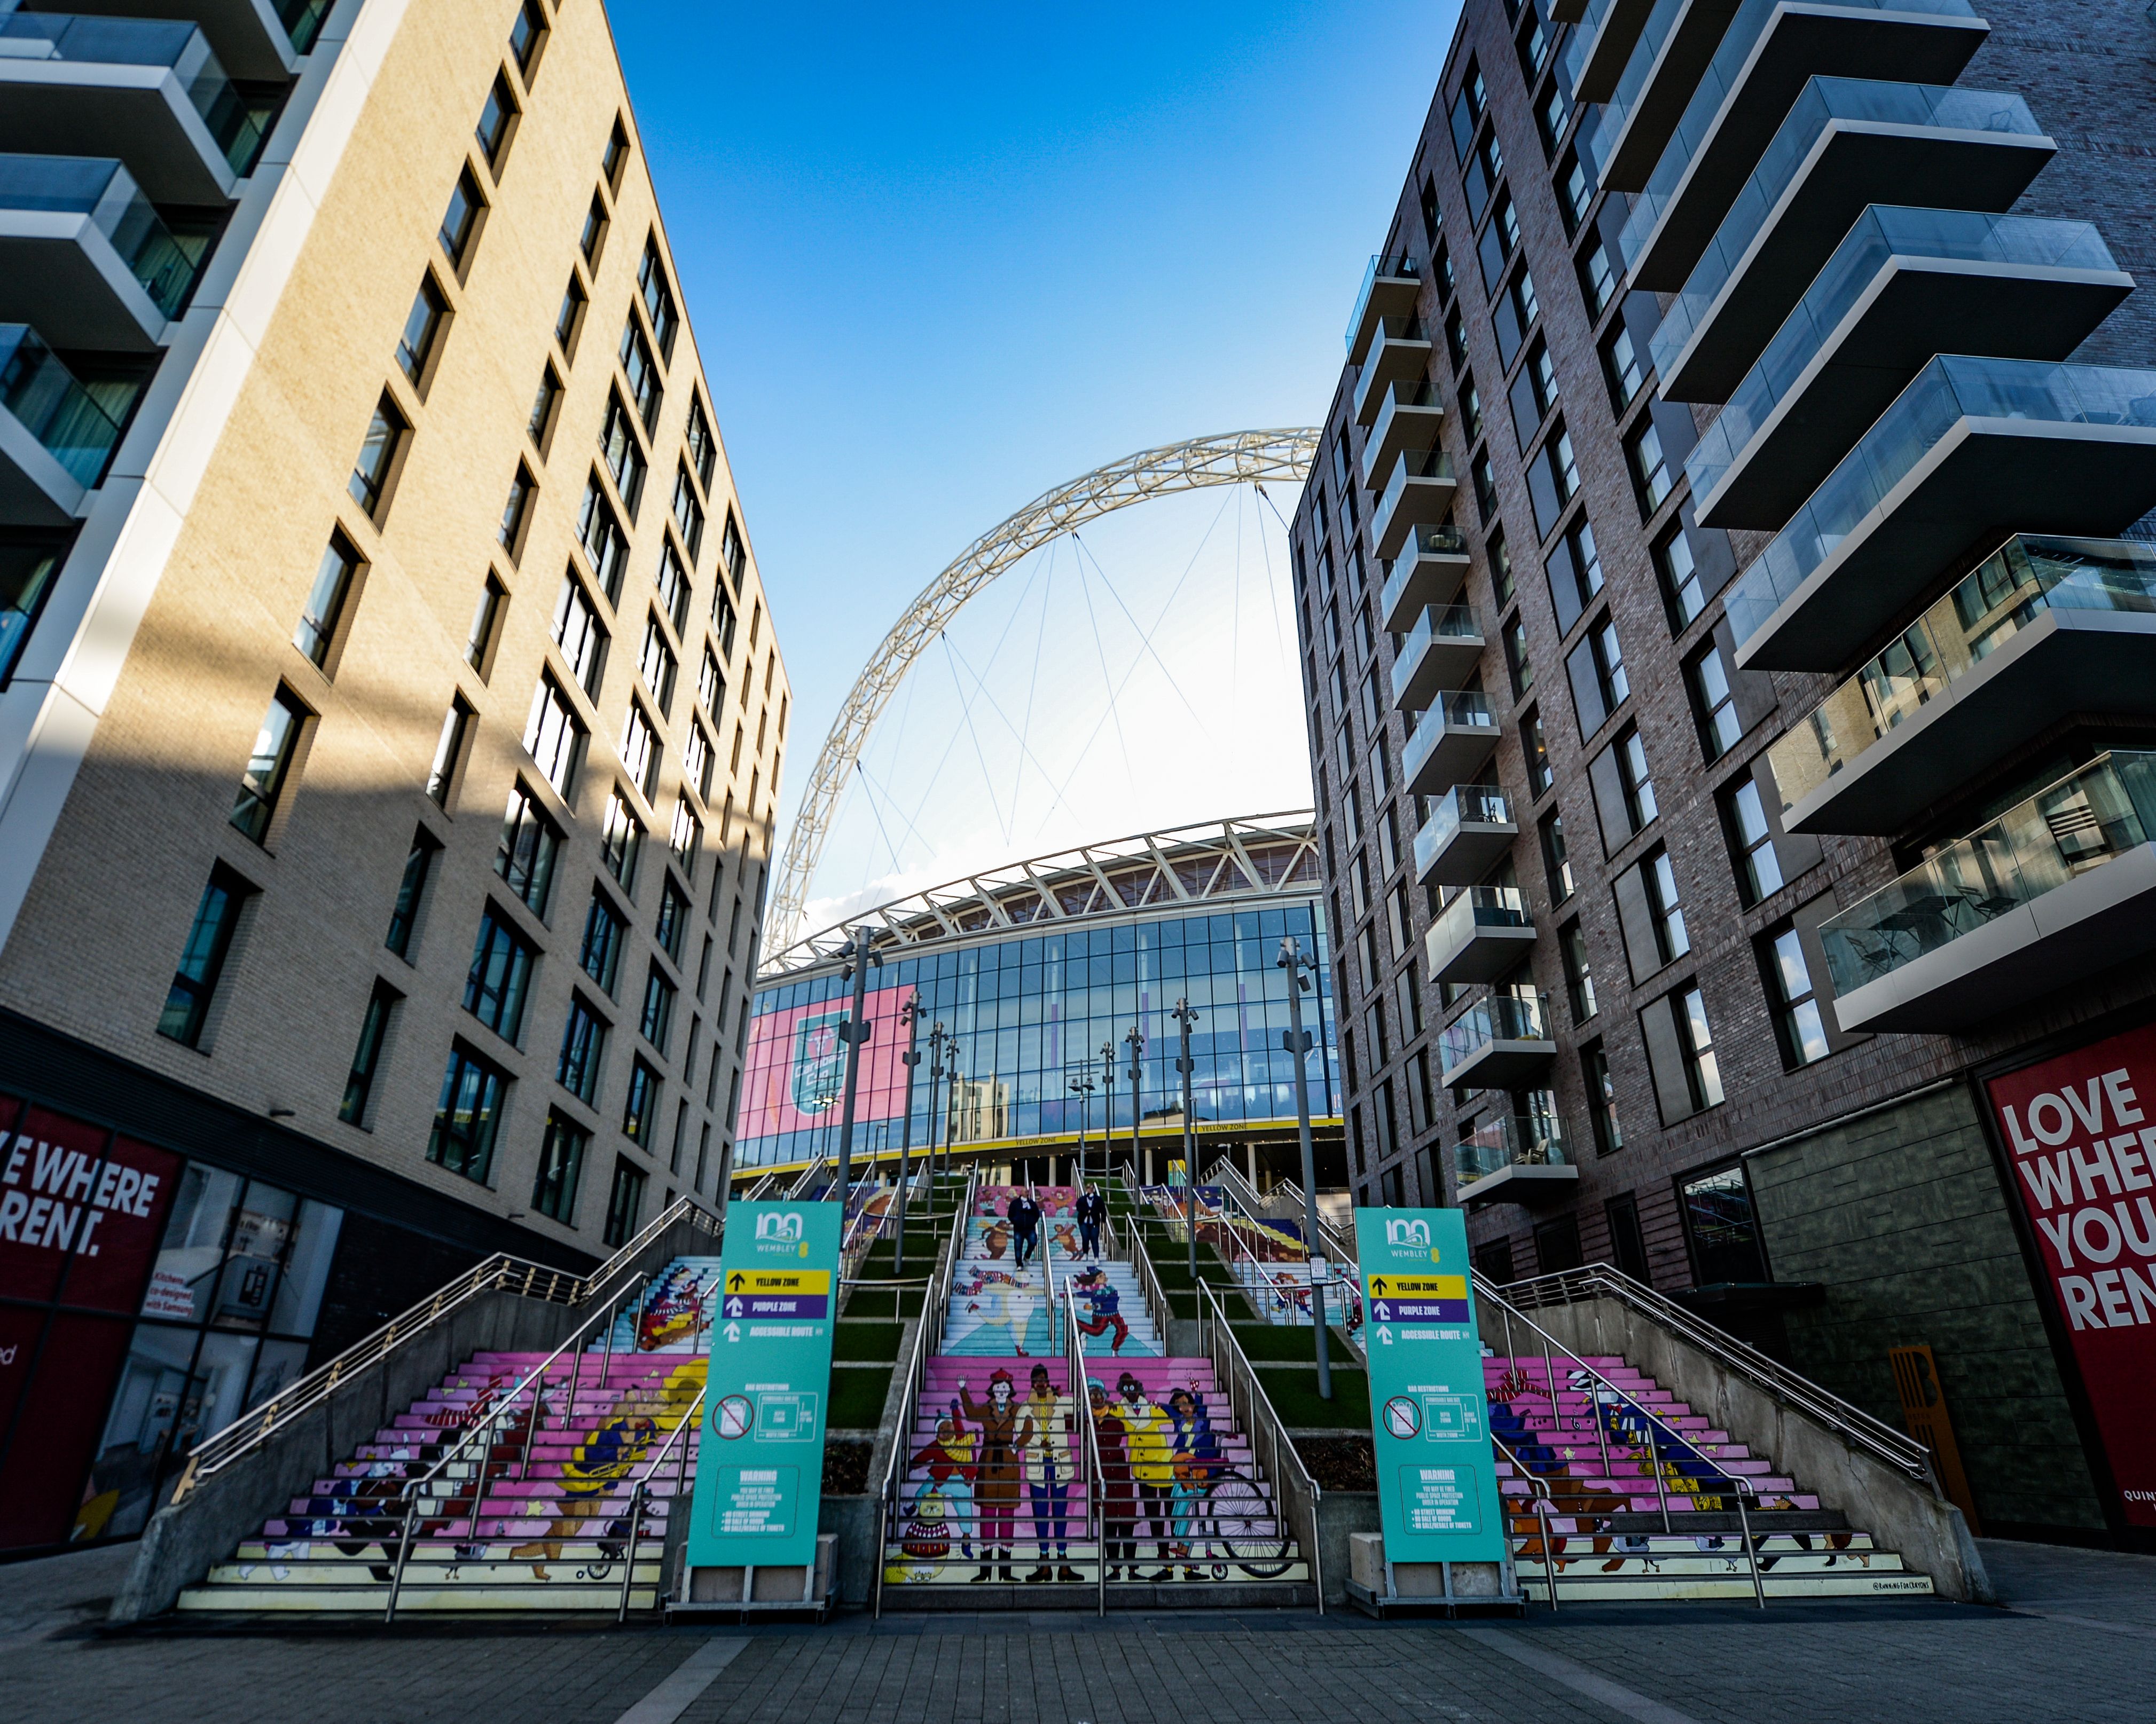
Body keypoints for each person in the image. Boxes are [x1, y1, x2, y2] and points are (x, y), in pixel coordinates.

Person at [957, 1368, 1032, 1583]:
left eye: (1005, 1388)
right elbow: (970, 1414)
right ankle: (986, 1570)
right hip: (989, 1460)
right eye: (998, 1388)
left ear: (1010, 1391)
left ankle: (1006, 1571)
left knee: (1007, 1515)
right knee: (988, 1514)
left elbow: (1029, 1426)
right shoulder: (987, 1409)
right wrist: (963, 1391)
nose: (1001, 1391)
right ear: (993, 1391)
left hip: (1008, 1460)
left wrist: (1019, 1445)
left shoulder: (1017, 1409)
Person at [1018, 1363, 1081, 1583]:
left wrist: (1062, 1395)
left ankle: (1063, 1561)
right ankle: (1044, 1561)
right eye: (1036, 1381)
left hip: (1060, 1463)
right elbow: (1021, 1434)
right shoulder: (1025, 1408)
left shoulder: (1060, 1402)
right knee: (1041, 1511)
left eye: (1043, 1380)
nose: (1041, 1384)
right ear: (1032, 1384)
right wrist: (1037, 1442)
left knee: (1060, 1511)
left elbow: (1079, 1407)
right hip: (1038, 1463)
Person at [1118, 1370, 1177, 1581]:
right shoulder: (1121, 1412)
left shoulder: (1152, 1409)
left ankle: (1184, 1562)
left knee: (1173, 1517)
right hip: (1143, 1473)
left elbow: (1171, 1417)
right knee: (1155, 1520)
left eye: (1132, 1387)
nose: (1130, 1393)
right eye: (1125, 1389)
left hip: (1164, 1468)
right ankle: (1165, 1563)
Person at [1088, 1375, 1135, 1582]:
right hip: (1100, 1476)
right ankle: (1115, 1570)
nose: (1096, 1398)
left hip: (1120, 1475)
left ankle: (1132, 1570)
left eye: (1099, 1394)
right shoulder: (1086, 1422)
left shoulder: (1117, 1420)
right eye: (1092, 1395)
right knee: (1107, 1525)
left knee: (1126, 1523)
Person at [1072, 1266, 1131, 1353]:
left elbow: (1113, 1300)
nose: (1103, 1277)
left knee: (1123, 1330)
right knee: (1097, 1331)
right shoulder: (1095, 1291)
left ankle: (1115, 1349)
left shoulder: (1111, 1289)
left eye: (1104, 1275)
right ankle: (1075, 1321)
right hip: (1101, 1314)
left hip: (1113, 1312)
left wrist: (1094, 1307)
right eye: (1100, 1276)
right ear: (1096, 1280)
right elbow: (1085, 1294)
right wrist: (1072, 1295)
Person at [1007, 1189, 1041, 1268]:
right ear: (1021, 1193)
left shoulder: (1032, 1204)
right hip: (1019, 1229)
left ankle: (1027, 1256)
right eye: (1025, 1191)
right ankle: (1019, 1264)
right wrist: (1016, 1221)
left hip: (1030, 1228)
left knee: (1033, 1242)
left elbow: (1037, 1214)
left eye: (1027, 1191)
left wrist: (1032, 1222)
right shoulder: (1015, 1204)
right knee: (1018, 1247)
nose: (1027, 1193)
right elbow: (1010, 1215)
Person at [1075, 1184, 1106, 1259]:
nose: (1091, 1190)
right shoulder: (1082, 1199)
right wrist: (1087, 1211)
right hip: (1084, 1222)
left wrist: (1103, 1219)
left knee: (1095, 1239)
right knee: (1085, 1238)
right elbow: (1078, 1207)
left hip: (1095, 1222)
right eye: (1089, 1188)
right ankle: (1085, 1254)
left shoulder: (1098, 1199)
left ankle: (1096, 1257)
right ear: (1086, 1189)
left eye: (1092, 1188)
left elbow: (1103, 1210)